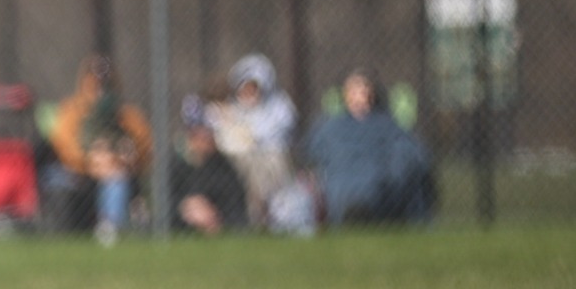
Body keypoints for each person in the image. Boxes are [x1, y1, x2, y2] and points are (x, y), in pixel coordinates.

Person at [304, 68, 435, 227]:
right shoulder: (330, 127)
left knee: (375, 186)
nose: (359, 96)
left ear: (373, 93)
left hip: (377, 181)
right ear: (344, 95)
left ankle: (363, 211)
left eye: (364, 90)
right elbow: (311, 153)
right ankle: (352, 211)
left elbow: (413, 153)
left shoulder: (388, 125)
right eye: (353, 90)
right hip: (340, 180)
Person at [44, 55, 153, 246]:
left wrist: (124, 158)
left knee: (116, 180)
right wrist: (92, 161)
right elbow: (63, 146)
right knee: (54, 177)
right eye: (94, 78)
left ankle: (110, 227)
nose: (100, 85)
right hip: (77, 173)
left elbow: (145, 147)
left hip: (116, 171)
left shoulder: (126, 114)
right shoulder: (72, 111)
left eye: (105, 79)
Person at [206, 54, 300, 229]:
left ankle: (269, 216)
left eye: (252, 88)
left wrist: (248, 135)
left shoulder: (279, 107)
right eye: (244, 89)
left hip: (270, 163)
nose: (248, 94)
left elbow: (272, 136)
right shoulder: (230, 109)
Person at [169, 98, 248, 236]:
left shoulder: (223, 166)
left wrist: (213, 216)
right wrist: (187, 208)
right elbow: (163, 204)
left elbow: (236, 206)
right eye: (201, 133)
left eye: (209, 133)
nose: (208, 138)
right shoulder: (175, 165)